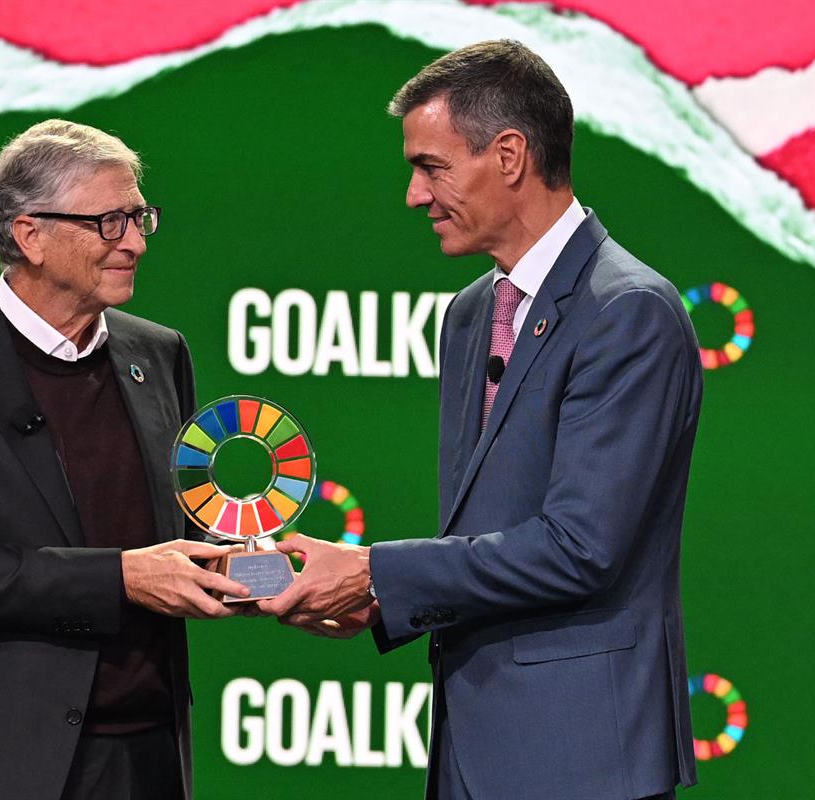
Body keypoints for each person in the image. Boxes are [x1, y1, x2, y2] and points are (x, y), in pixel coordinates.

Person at [261, 41, 702, 799]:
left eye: (431, 167)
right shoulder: (472, 314)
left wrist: (375, 570)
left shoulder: (628, 313)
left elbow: (581, 549)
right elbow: (486, 533)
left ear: (508, 155)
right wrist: (374, 600)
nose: (413, 194)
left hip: (584, 753)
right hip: (472, 743)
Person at [0, 119, 249, 800]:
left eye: (139, 216)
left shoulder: (158, 353)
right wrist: (121, 579)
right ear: (29, 234)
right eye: (109, 222)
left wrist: (264, 571)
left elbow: (186, 533)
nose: (134, 241)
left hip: (139, 759)